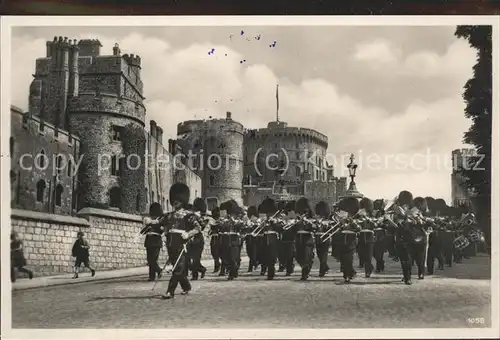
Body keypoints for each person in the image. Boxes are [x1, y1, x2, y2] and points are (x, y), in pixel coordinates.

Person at [148, 183, 202, 299]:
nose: (175, 203)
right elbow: (158, 222)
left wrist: (188, 234)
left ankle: (170, 291)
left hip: (182, 245)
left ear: (182, 201)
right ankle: (186, 286)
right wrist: (149, 221)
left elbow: (198, 228)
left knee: (177, 269)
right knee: (179, 269)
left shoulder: (189, 216)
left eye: (177, 200)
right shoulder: (169, 216)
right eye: (174, 200)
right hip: (171, 244)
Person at [338, 197, 361, 283]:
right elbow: (337, 229)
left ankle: (347, 276)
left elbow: (359, 228)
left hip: (351, 241)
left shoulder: (355, 219)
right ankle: (350, 273)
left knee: (349, 259)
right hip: (342, 241)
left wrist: (352, 222)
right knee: (343, 260)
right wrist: (341, 223)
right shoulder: (341, 220)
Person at [293, 197, 316, 281]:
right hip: (299, 239)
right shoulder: (296, 220)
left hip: (307, 239)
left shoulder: (311, 219)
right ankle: (307, 266)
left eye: (305, 212)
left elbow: (315, 227)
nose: (303, 214)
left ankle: (304, 274)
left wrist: (307, 222)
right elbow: (293, 229)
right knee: (299, 257)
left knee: (306, 257)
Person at [141, 203, 165, 281]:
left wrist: (154, 224)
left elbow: (162, 230)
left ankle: (158, 271)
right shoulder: (149, 219)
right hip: (149, 240)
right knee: (149, 260)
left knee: (153, 260)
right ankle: (152, 276)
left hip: (156, 240)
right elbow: (144, 231)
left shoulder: (161, 219)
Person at [189, 198, 208, 280]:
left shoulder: (199, 217)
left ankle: (195, 275)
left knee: (196, 259)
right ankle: (202, 269)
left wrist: (198, 220)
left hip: (198, 240)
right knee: (191, 259)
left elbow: (203, 226)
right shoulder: (190, 216)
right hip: (190, 239)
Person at [314, 201, 331, 277]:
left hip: (325, 238)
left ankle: (322, 271)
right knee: (319, 254)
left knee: (324, 255)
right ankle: (325, 267)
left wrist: (326, 226)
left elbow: (330, 229)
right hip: (318, 239)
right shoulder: (316, 221)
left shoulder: (328, 221)